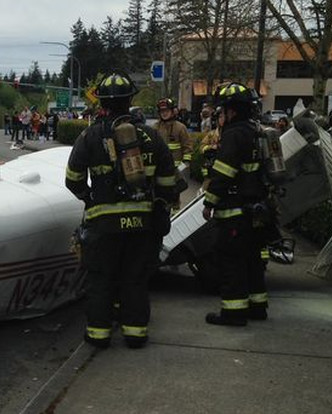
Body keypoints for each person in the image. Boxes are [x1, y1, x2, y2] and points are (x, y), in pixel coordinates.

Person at [65, 72, 178, 349]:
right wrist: (160, 205)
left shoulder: (89, 136)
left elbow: (73, 178)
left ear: (101, 102)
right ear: (130, 102)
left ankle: (99, 335)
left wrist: (90, 200)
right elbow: (168, 181)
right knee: (135, 279)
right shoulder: (151, 137)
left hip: (103, 227)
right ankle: (136, 333)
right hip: (143, 225)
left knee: (101, 280)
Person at [202, 82, 270, 326]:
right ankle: (257, 306)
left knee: (231, 261)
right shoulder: (257, 131)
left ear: (232, 110)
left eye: (223, 111)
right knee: (252, 259)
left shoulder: (234, 134)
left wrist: (209, 202)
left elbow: (223, 174)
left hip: (235, 210)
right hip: (257, 210)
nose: (222, 115)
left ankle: (234, 312)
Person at [200, 106, 225, 190]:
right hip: (211, 171)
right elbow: (202, 147)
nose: (222, 119)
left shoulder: (232, 134)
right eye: (220, 117)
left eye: (224, 116)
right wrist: (210, 148)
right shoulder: (212, 134)